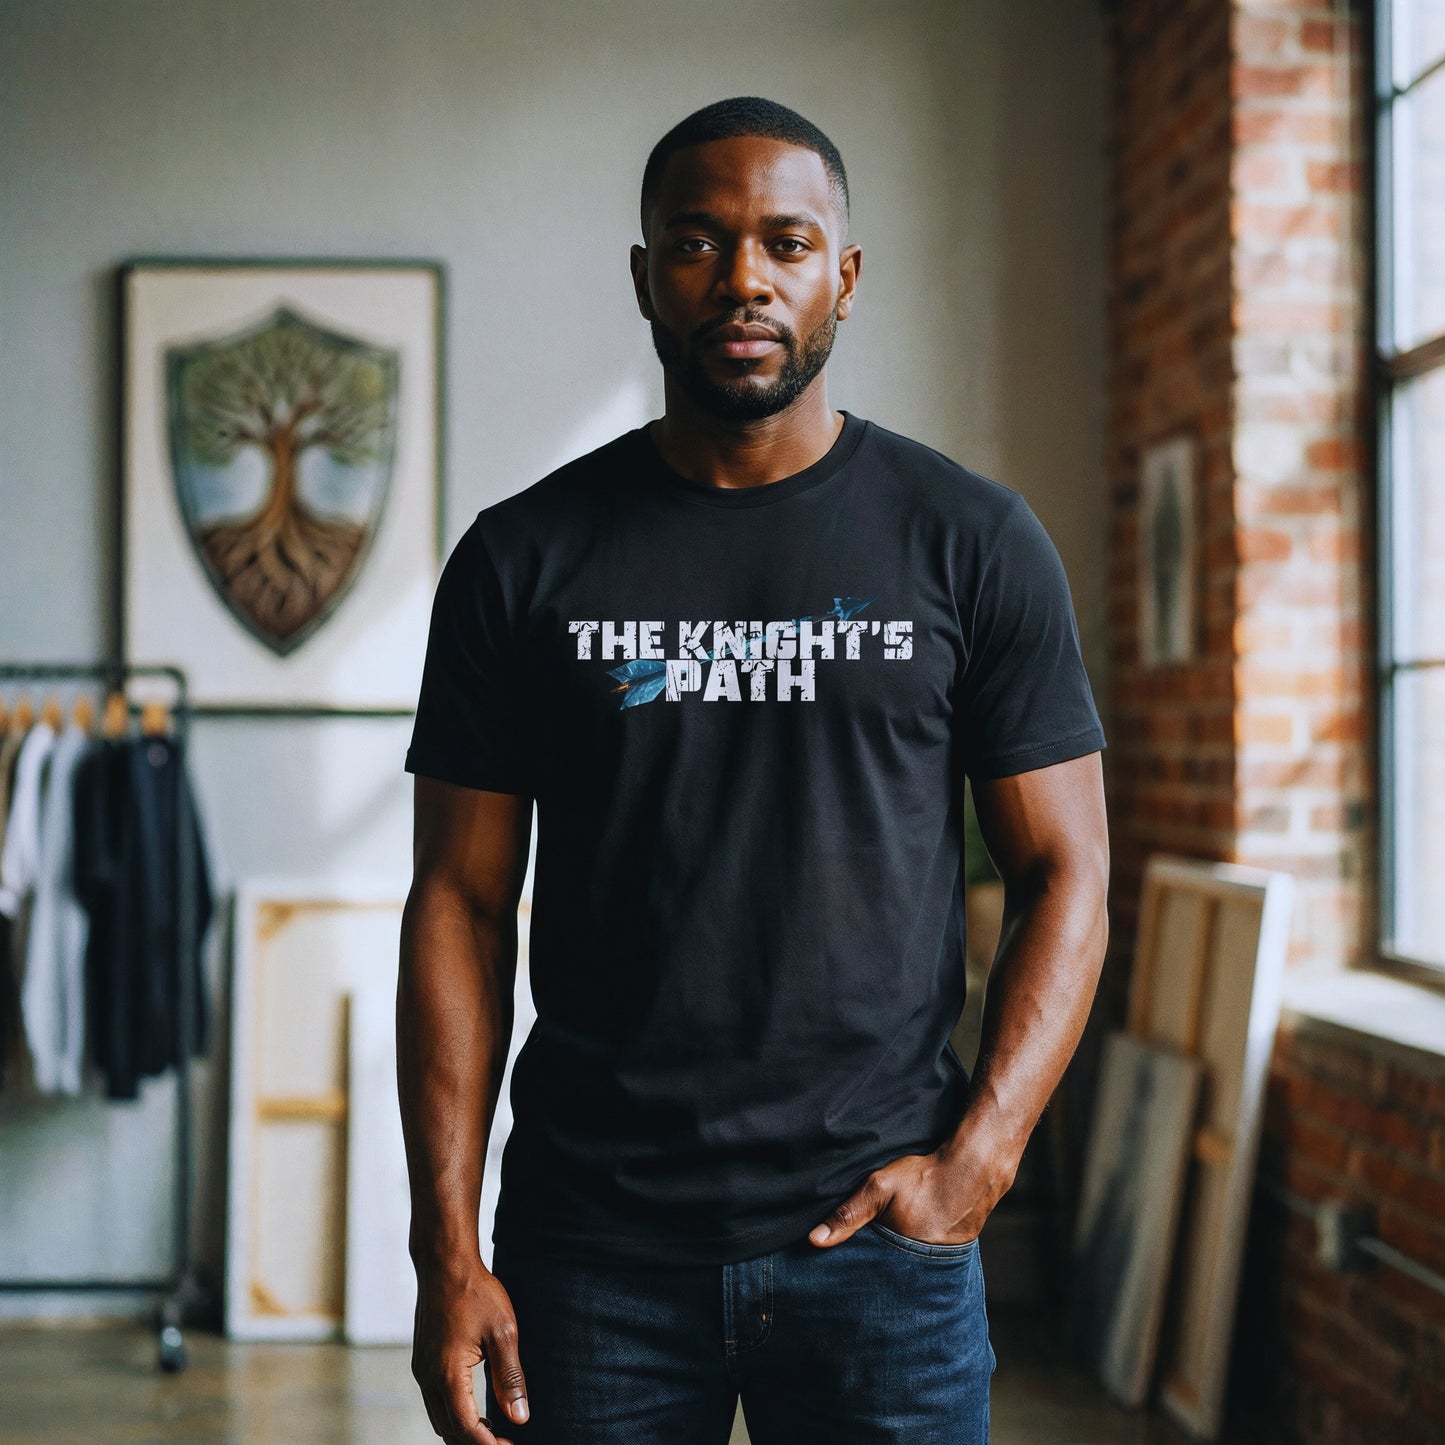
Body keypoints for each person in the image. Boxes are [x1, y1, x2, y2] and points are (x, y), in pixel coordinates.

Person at [399, 95, 1109, 1445]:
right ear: (644, 276)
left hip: (876, 1249)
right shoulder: (522, 560)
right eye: (697, 242)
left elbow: (1065, 868)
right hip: (589, 1250)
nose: (742, 279)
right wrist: (446, 1244)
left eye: (786, 243)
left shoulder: (969, 541)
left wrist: (979, 1158)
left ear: (841, 276)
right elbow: (457, 902)